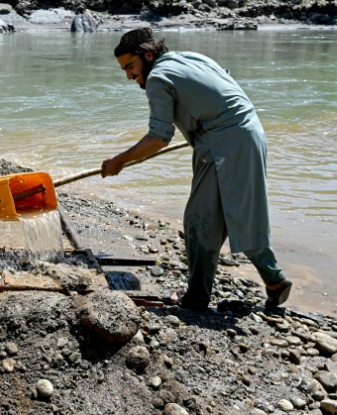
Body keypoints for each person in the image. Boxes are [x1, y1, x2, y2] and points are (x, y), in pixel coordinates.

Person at [101, 28, 292, 312]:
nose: (129, 76)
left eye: (130, 66)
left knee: (201, 220)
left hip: (224, 143)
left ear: (149, 55)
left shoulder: (157, 78)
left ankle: (198, 299)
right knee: (237, 213)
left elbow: (159, 137)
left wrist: (120, 160)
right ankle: (273, 281)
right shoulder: (190, 57)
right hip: (249, 132)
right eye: (124, 70)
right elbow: (220, 87)